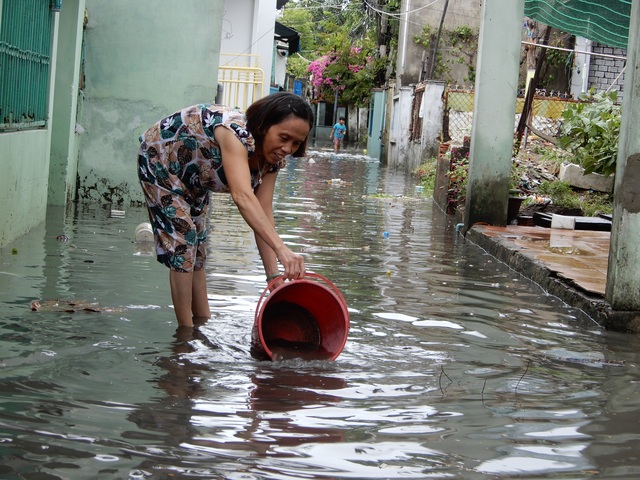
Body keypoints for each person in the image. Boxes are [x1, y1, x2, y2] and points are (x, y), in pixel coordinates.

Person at [137, 92, 314, 328]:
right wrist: (282, 249)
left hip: (194, 177)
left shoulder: (273, 159)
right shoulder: (235, 134)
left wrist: (273, 276)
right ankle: (185, 334)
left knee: (198, 247)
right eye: (283, 137)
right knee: (184, 243)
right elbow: (242, 196)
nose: (287, 148)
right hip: (159, 159)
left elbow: (263, 212)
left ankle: (202, 322)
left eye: (296, 143)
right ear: (263, 127)